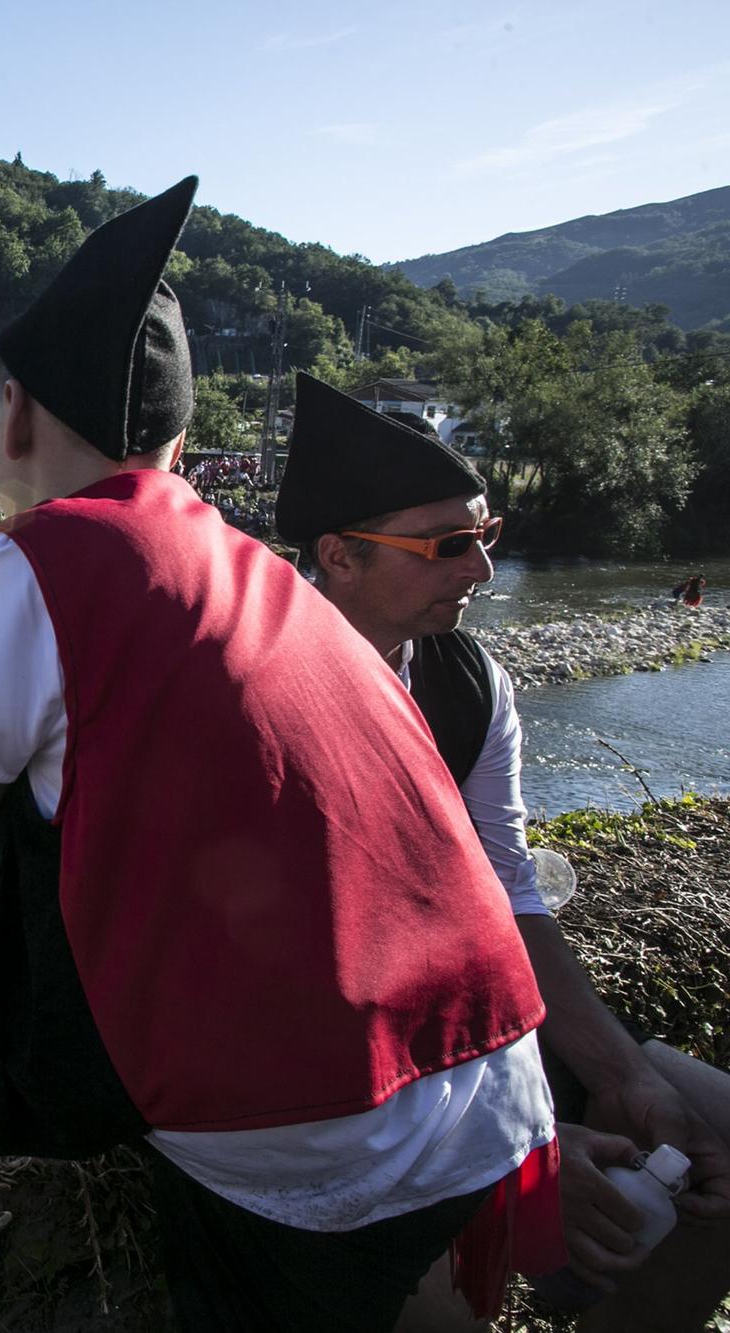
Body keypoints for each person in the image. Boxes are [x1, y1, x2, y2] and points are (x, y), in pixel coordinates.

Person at [0, 178, 560, 1329]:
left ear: (6, 419)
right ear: (181, 443)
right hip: (492, 1085)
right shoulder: (262, 573)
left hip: (314, 1126)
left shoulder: (44, 555)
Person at [277, 375, 730, 1330]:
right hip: (333, 1074)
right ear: (337, 555)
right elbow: (299, 979)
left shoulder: (468, 683)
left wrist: (619, 1071)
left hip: (467, 1029)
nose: (482, 572)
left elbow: (507, 893)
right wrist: (513, 1140)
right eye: (449, 546)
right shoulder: (260, 693)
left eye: (489, 536)